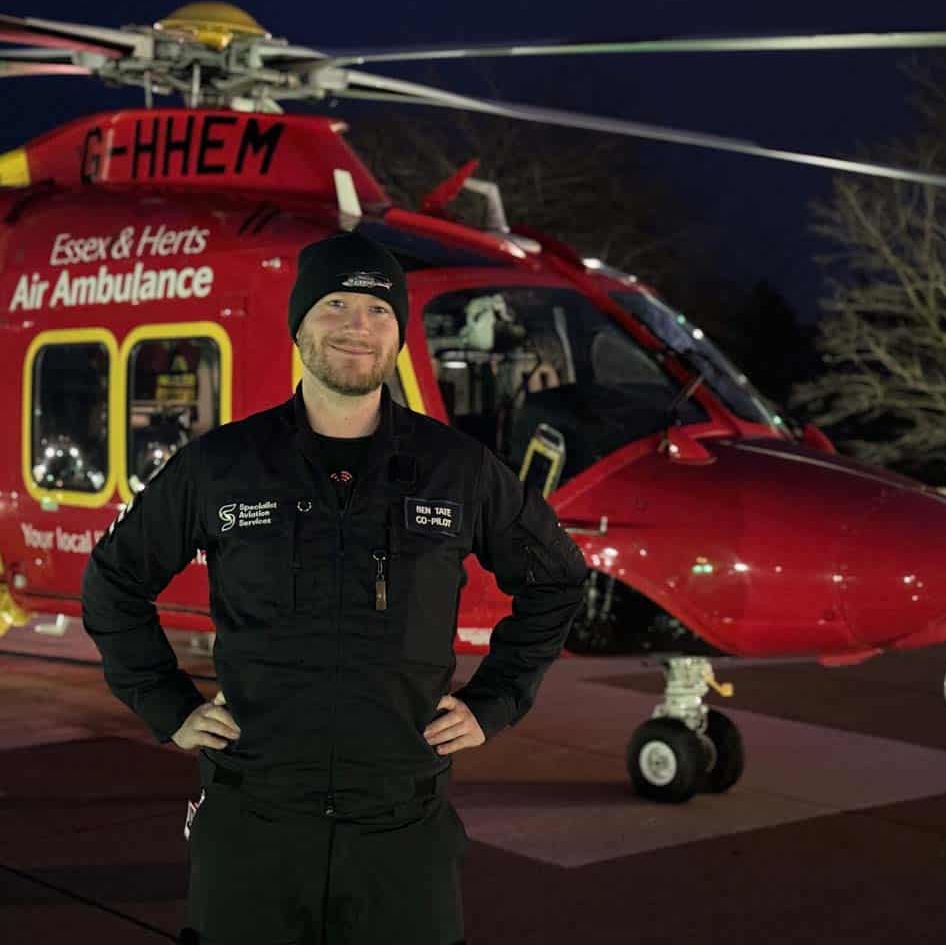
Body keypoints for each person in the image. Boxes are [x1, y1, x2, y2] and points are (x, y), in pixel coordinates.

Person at [81, 230, 589, 945]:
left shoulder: (457, 470)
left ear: (399, 332)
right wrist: (168, 708)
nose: (359, 326)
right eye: (337, 304)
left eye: (380, 311)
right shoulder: (224, 465)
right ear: (299, 325)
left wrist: (494, 703)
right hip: (254, 822)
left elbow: (558, 576)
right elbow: (111, 580)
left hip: (401, 827)